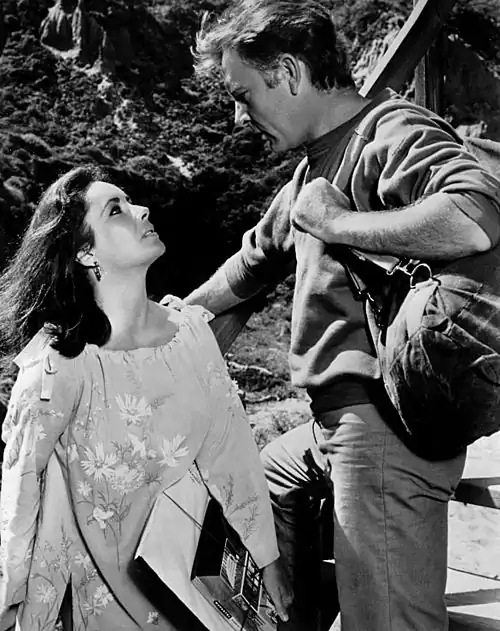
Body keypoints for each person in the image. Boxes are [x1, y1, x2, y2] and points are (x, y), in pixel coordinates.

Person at [181, 1, 500, 630]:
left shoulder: (389, 128)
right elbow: (251, 265)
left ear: (290, 73)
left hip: (383, 424)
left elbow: (474, 216)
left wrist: (337, 222)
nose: (239, 116)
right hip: (340, 424)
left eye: (243, 95)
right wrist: (172, 318)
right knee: (276, 475)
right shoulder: (312, 169)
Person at [0, 166, 293, 631]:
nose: (141, 210)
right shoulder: (59, 364)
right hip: (101, 595)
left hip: (190, 585)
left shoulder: (191, 333)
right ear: (85, 252)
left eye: (131, 200)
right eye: (115, 210)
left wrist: (266, 557)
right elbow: (21, 488)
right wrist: (9, 598)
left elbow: (231, 451)